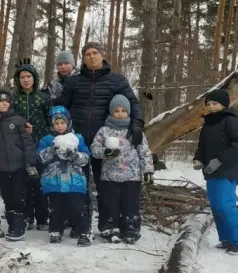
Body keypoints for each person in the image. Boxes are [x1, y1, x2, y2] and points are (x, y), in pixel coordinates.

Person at [55, 41, 143, 231]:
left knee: (106, 187)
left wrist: (137, 124)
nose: (92, 56)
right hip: (79, 142)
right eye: (87, 54)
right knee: (79, 184)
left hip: (106, 142)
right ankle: (80, 223)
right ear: (83, 59)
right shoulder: (74, 81)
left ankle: (108, 223)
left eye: (95, 53)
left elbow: (133, 103)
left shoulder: (117, 81)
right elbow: (61, 107)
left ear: (102, 55)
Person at [194, 89, 238, 255]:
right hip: (210, 172)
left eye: (215, 103)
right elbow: (202, 146)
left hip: (227, 170)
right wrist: (198, 159)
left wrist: (219, 160)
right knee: (216, 206)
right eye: (208, 104)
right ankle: (226, 239)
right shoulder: (208, 123)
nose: (211, 107)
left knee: (225, 205)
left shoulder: (231, 120)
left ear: (224, 104)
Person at [90, 95, 153, 244]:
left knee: (130, 204)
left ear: (129, 112)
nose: (120, 113)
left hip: (132, 176)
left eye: (123, 110)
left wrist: (148, 171)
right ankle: (110, 229)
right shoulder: (104, 130)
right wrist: (105, 152)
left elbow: (144, 151)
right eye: (116, 110)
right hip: (109, 176)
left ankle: (130, 230)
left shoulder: (134, 130)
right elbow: (94, 148)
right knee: (110, 204)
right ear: (111, 112)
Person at [37, 106, 92, 246]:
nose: (60, 126)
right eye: (56, 123)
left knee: (78, 207)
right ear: (52, 124)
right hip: (53, 181)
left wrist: (74, 155)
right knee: (56, 208)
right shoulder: (47, 140)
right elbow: (40, 158)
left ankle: (83, 231)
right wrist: (51, 150)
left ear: (68, 123)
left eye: (62, 123)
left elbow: (86, 158)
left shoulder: (77, 138)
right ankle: (55, 230)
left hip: (75, 181)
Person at [0, 90, 38, 242]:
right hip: (2, 167)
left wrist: (30, 163)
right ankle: (11, 224)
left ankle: (19, 226)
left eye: (6, 101)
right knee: (7, 195)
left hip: (19, 166)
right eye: (0, 101)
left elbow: (28, 143)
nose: (3, 104)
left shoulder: (18, 121)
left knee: (18, 196)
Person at [12, 60, 53, 231]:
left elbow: (53, 123)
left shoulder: (43, 98)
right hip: (21, 148)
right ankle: (28, 216)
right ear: (18, 80)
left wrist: (36, 129)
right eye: (22, 77)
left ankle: (43, 217)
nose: (26, 80)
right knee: (25, 184)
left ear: (34, 78)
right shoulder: (14, 99)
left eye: (29, 76)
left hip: (40, 146)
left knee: (40, 182)